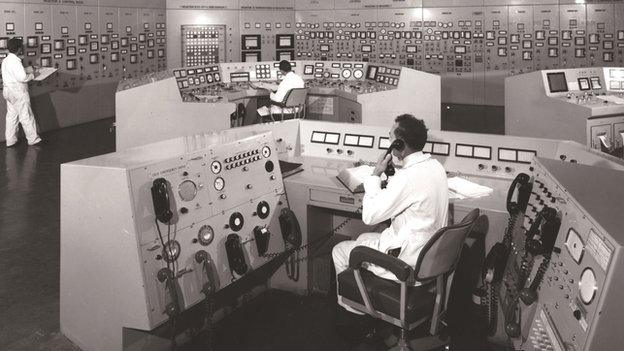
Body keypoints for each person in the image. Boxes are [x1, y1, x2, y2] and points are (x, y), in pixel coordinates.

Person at [332, 114, 449, 314]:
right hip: (430, 260)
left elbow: (369, 217)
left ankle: (356, 308)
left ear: (398, 144)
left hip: (406, 265)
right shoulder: (435, 166)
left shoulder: (407, 178)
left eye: (389, 138)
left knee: (340, 250)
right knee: (362, 238)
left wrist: (375, 175)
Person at [2, 37, 42, 147]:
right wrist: (34, 75)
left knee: (12, 116)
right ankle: (33, 139)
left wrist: (28, 69)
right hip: (18, 92)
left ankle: (10, 141)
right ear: (19, 49)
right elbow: (22, 78)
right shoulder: (15, 61)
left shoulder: (6, 60)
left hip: (8, 92)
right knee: (26, 115)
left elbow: (14, 73)